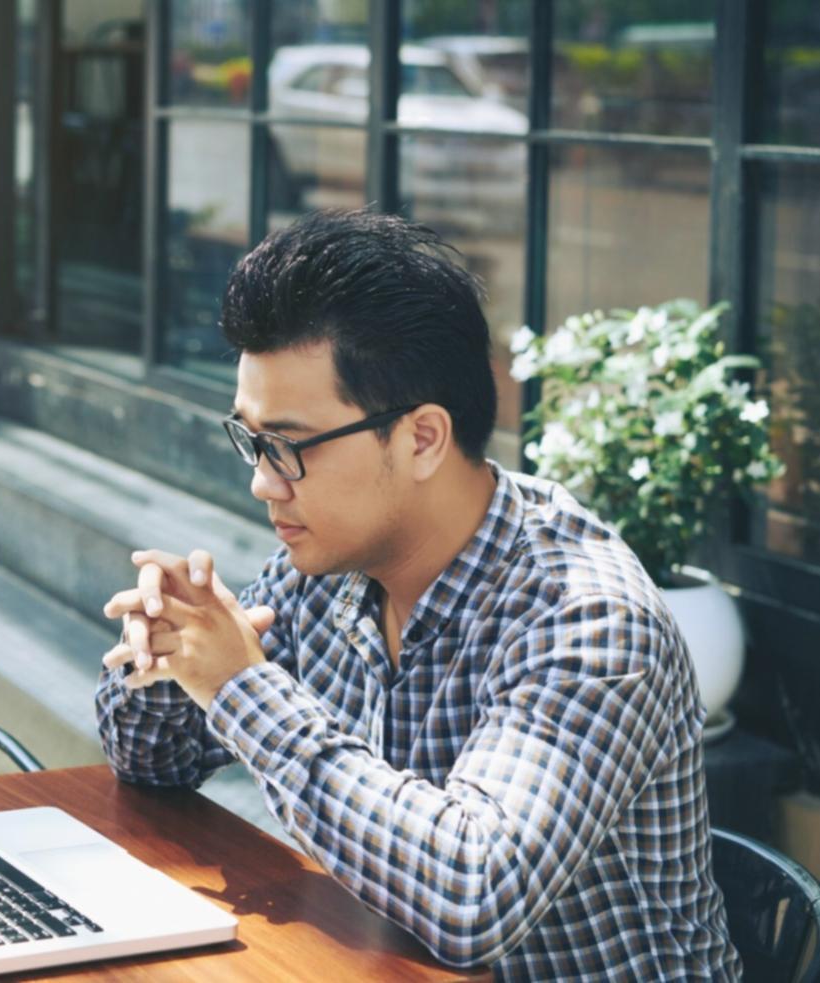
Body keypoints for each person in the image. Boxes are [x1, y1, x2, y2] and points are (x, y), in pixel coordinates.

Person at [94, 208, 739, 980]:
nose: (262, 481)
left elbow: (472, 895)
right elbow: (150, 761)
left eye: (289, 447)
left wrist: (240, 685)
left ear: (422, 438)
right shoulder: (328, 564)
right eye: (252, 439)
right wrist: (170, 652)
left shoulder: (586, 617)